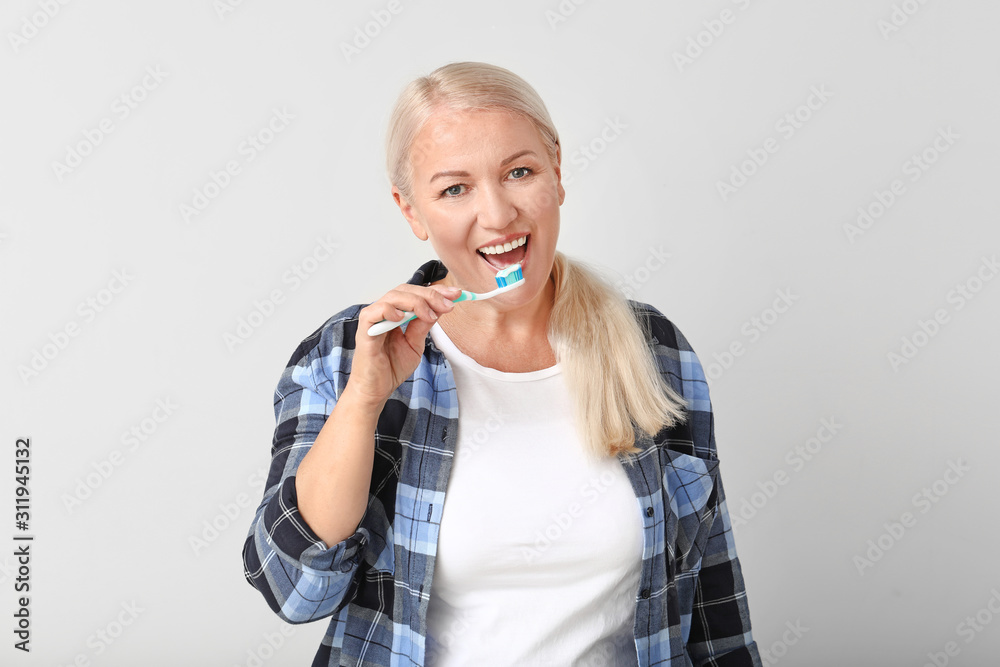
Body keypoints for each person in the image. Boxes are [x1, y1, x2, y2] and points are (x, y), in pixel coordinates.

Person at [242, 61, 762, 667]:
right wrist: (363, 401)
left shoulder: (655, 351)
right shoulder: (346, 355)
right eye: (454, 188)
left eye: (519, 172)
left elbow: (716, 618)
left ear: (557, 172)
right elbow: (294, 591)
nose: (497, 215)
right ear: (412, 212)